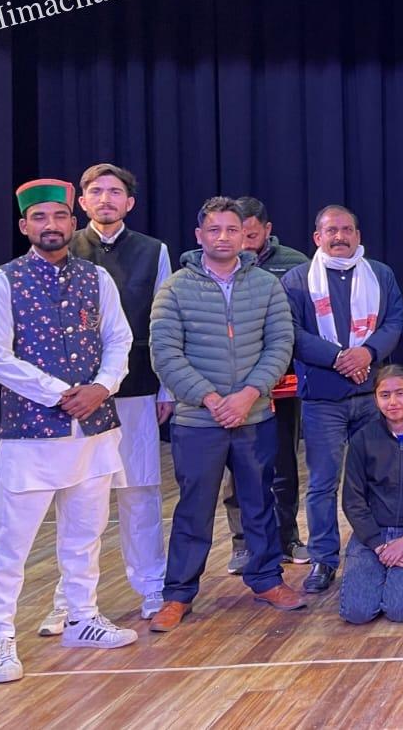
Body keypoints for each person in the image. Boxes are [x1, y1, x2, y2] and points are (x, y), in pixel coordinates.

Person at [0, 179, 139, 683]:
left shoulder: (96, 278)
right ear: (24, 226)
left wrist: (103, 386)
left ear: (72, 221)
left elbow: (119, 339)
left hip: (94, 430)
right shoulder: (3, 281)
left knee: (85, 534)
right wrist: (59, 392)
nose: (51, 225)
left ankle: (82, 617)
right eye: (40, 217)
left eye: (60, 216)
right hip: (30, 435)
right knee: (12, 543)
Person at [149, 197, 303, 632]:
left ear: (245, 235)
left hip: (254, 417)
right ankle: (178, 594)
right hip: (199, 422)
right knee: (193, 509)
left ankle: (267, 580)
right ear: (199, 235)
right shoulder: (175, 288)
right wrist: (212, 399)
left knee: (259, 503)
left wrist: (249, 395)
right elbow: (165, 353)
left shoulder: (266, 285)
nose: (223, 237)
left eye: (231, 230)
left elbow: (280, 344)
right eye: (214, 230)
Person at [34, 164, 171, 635]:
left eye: (115, 191)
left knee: (140, 492)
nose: (106, 198)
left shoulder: (153, 251)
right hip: (75, 396)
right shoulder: (62, 247)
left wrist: (166, 387)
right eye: (97, 191)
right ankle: (69, 601)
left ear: (129, 202)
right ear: (82, 202)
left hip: (134, 389)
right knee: (74, 497)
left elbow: (163, 323)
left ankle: (152, 586)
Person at [283, 204, 403, 594]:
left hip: (372, 395)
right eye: (331, 231)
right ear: (317, 237)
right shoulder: (297, 280)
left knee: (381, 478)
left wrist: (367, 354)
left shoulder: (380, 274)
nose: (340, 237)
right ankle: (323, 559)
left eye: (347, 230)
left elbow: (395, 321)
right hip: (323, 398)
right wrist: (340, 358)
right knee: (322, 483)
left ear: (358, 235)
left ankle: (379, 550)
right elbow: (292, 333)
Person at [223, 195, 310, 571]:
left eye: (250, 234)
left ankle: (288, 536)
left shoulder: (294, 263)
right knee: (237, 465)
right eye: (235, 233)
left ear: (267, 230)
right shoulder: (216, 265)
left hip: (282, 381)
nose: (242, 242)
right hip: (233, 384)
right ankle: (242, 543)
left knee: (284, 462)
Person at [338, 365, 403, 625]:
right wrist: (379, 545)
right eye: (385, 395)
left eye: (400, 393)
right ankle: (380, 571)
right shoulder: (363, 439)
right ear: (375, 398)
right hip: (372, 534)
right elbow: (353, 499)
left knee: (400, 610)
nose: (393, 402)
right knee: (356, 613)